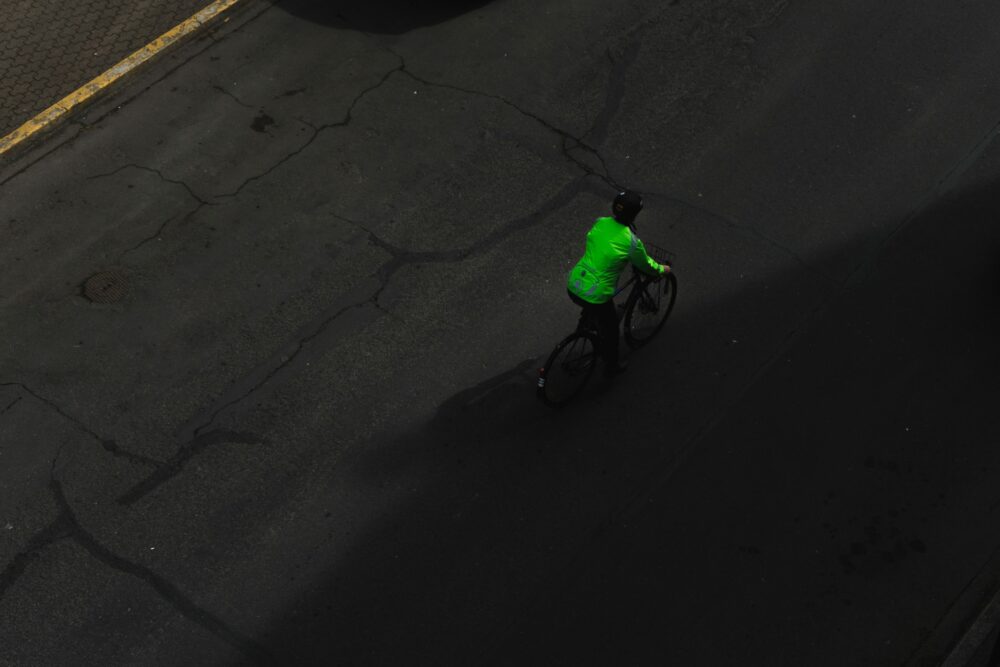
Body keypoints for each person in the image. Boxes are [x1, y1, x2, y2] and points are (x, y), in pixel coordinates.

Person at [566, 190, 670, 377]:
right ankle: (611, 367)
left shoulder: (601, 222)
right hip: (596, 295)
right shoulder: (631, 242)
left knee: (591, 306)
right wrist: (663, 270)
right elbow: (646, 265)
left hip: (574, 283)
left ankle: (585, 325)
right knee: (612, 330)